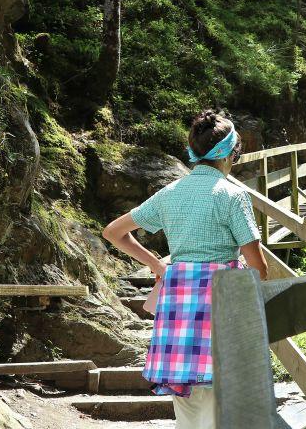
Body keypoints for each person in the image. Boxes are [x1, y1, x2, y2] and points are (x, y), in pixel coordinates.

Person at [101, 110, 269, 429]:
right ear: (232, 153)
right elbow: (259, 268)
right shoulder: (233, 196)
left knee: (187, 406)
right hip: (221, 304)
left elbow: (113, 232)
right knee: (221, 402)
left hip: (178, 303)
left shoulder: (171, 193)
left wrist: (155, 263)